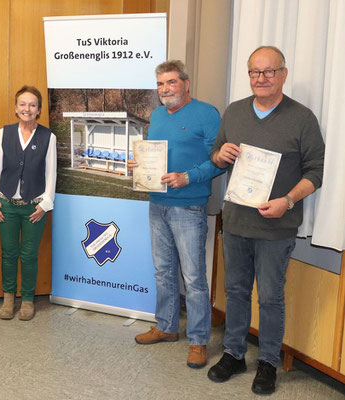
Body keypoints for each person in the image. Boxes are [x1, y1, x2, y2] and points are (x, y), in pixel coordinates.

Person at [207, 46, 325, 395]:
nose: (261, 78)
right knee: (236, 291)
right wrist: (220, 154)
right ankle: (234, 353)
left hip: (277, 227)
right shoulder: (235, 112)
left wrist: (288, 200)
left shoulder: (302, 118)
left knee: (271, 297)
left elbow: (316, 173)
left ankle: (269, 362)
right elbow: (216, 156)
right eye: (255, 72)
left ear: (283, 74)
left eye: (269, 71)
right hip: (237, 223)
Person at [129, 60, 224, 368]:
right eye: (160, 84)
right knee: (163, 271)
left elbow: (219, 161)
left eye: (170, 82)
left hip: (188, 205)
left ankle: (198, 341)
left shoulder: (207, 114)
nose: (165, 89)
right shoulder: (157, 115)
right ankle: (166, 326)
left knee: (194, 277)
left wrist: (188, 176)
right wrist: (138, 165)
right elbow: (151, 153)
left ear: (186, 83)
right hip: (157, 203)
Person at [0, 85, 56, 321]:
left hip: (34, 208)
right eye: (23, 104)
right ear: (16, 109)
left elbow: (51, 174)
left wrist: (45, 204)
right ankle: (8, 298)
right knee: (8, 253)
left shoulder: (48, 136)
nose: (27, 109)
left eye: (32, 105)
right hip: (5, 205)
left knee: (29, 255)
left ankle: (27, 299)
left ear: (38, 110)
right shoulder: (4, 133)